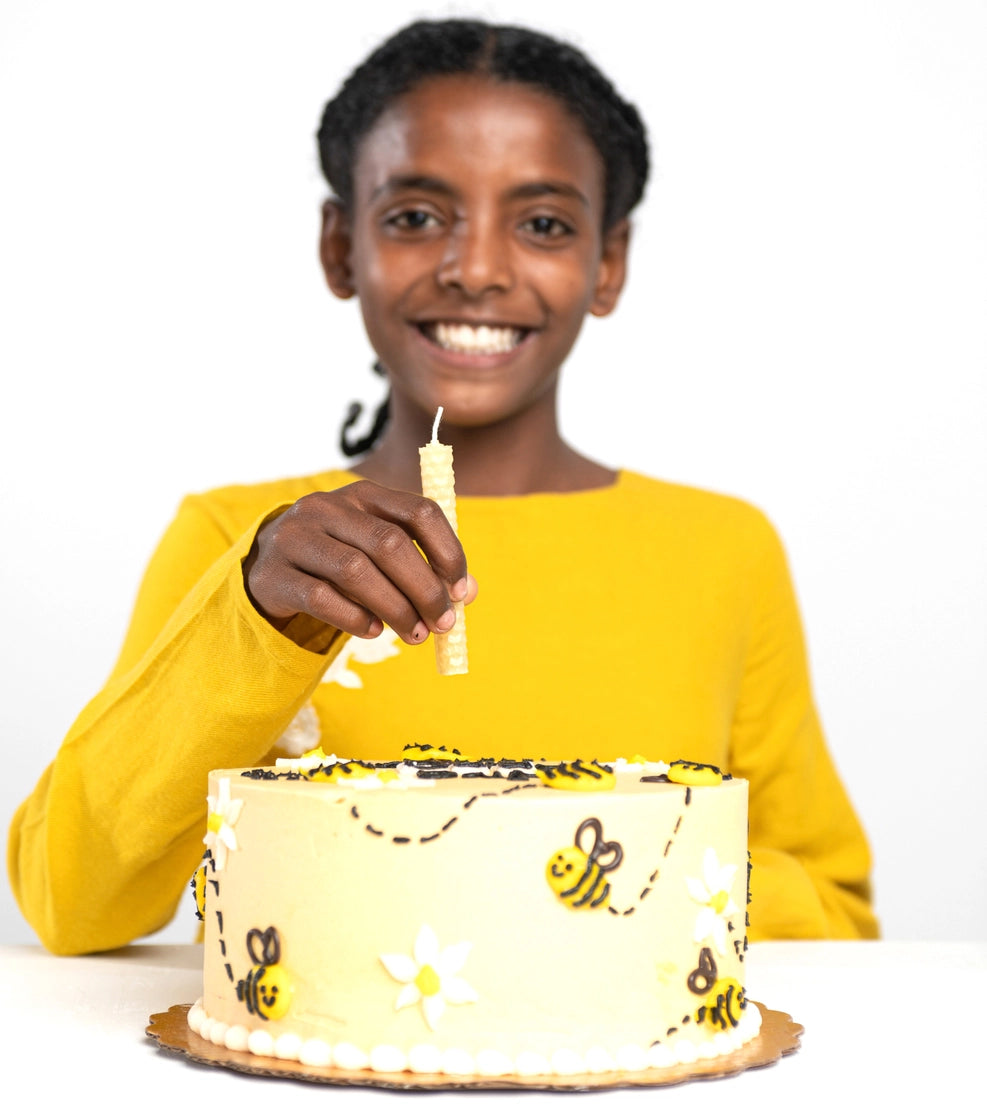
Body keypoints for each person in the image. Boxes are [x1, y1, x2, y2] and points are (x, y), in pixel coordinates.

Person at [8, 19, 878, 955]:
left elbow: (832, 909)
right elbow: (72, 900)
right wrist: (253, 613)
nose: (475, 269)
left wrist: (544, 872)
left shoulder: (723, 551)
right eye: (417, 217)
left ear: (607, 262)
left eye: (541, 224)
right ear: (341, 247)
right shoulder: (237, 543)